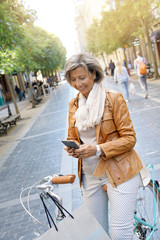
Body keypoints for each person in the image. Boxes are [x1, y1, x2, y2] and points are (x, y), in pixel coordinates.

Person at [64, 53, 150, 239]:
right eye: (73, 79)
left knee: (121, 234)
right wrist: (73, 149)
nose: (78, 84)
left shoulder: (113, 98)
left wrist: (97, 149)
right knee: (97, 234)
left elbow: (129, 138)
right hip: (89, 176)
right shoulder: (73, 105)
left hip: (120, 171)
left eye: (82, 77)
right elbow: (73, 136)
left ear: (93, 73)